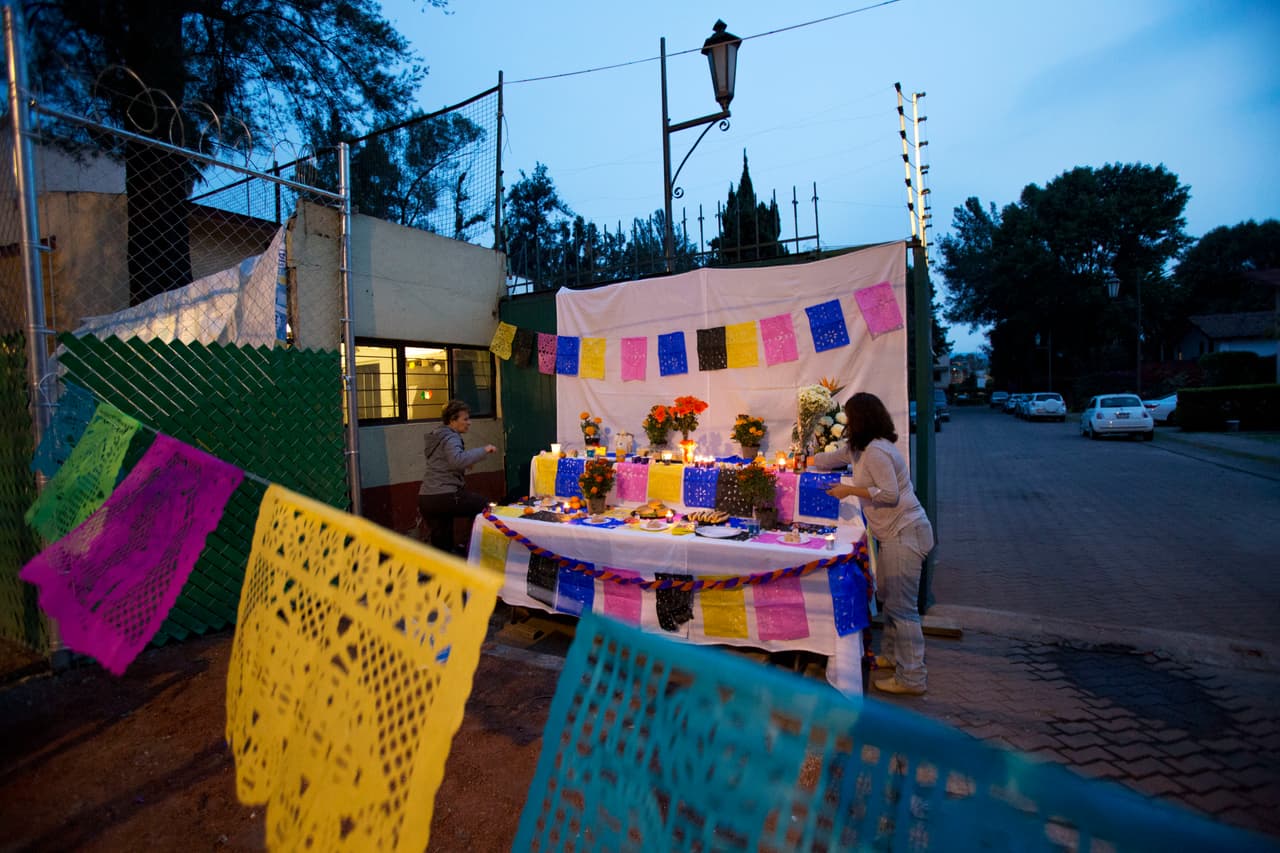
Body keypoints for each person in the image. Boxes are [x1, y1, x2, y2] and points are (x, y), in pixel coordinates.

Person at [812, 392, 935, 696]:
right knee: (891, 601)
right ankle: (893, 658)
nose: (847, 422)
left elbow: (890, 494)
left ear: (861, 419)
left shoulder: (877, 451)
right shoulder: (860, 449)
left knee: (903, 609)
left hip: (906, 532)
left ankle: (913, 677)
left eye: (850, 417)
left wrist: (849, 490)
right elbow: (831, 459)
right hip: (894, 535)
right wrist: (803, 459)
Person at [418, 399, 497, 555]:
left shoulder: (438, 436)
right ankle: (471, 548)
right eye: (465, 419)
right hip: (445, 495)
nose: (469, 423)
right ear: (452, 420)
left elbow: (445, 462)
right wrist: (484, 450)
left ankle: (443, 565)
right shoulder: (451, 437)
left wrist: (465, 463)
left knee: (442, 545)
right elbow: (457, 460)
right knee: (484, 507)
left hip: (427, 497)